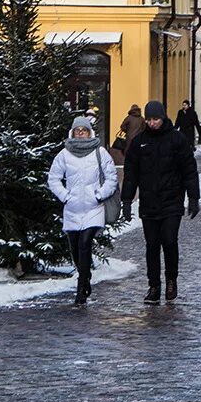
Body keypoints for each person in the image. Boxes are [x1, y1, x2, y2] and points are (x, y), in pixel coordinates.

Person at [122, 100, 200, 305]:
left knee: (170, 241)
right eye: (149, 119)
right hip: (149, 202)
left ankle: (171, 280)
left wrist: (193, 197)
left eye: (155, 119)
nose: (152, 123)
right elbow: (131, 174)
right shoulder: (139, 142)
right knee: (152, 246)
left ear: (163, 117)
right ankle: (154, 285)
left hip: (172, 201)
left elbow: (189, 170)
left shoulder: (177, 139)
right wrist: (127, 200)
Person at [48, 115, 119, 306]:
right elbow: (53, 178)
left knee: (85, 243)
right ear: (73, 132)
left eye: (84, 130)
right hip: (72, 209)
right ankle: (85, 276)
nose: (81, 134)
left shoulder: (100, 152)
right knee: (75, 248)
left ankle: (81, 290)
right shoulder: (64, 154)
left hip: (93, 208)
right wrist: (65, 196)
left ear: (90, 132)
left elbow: (112, 178)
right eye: (78, 131)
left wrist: (99, 194)